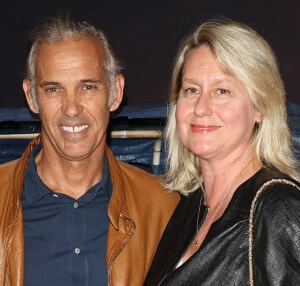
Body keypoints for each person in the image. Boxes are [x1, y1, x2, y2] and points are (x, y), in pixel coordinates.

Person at [0, 15, 179, 286]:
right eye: (53, 89)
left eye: (87, 87)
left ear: (115, 92)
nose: (71, 109)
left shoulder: (161, 208)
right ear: (31, 97)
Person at [144, 18, 300, 285]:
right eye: (191, 90)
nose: (201, 107)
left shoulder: (278, 207)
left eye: (222, 91)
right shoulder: (189, 207)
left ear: (259, 107)